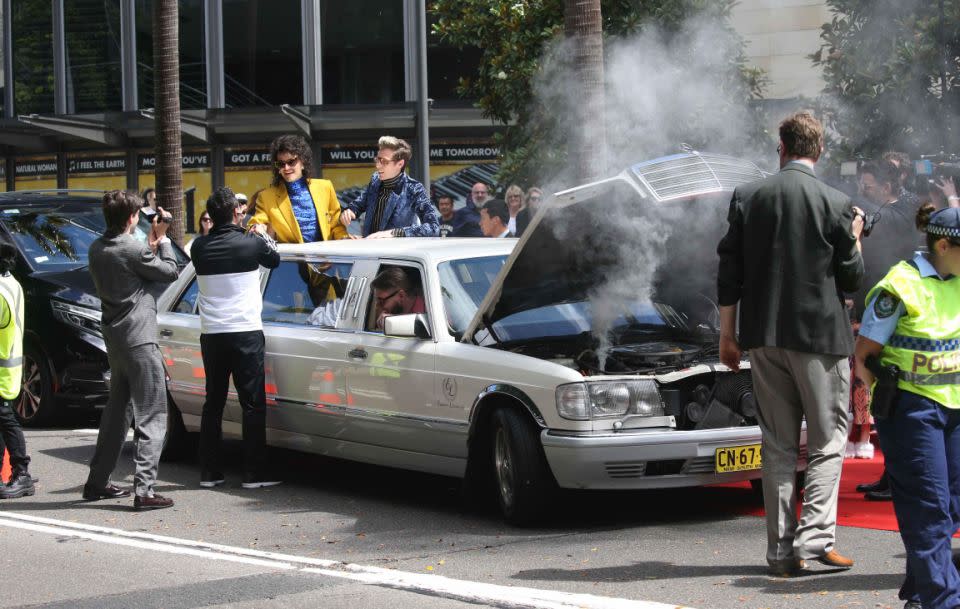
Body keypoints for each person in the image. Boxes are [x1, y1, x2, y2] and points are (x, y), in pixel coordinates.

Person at [716, 111, 865, 576]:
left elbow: (728, 273)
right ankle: (815, 539)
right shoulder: (837, 202)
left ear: (781, 148)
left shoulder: (748, 197)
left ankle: (780, 552)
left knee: (777, 445)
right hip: (819, 338)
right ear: (819, 152)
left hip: (762, 336)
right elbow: (851, 281)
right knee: (826, 442)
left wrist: (728, 334)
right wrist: (856, 238)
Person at [854, 205, 960, 609]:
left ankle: (920, 589)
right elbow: (864, 355)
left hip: (954, 410)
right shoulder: (900, 286)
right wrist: (886, 405)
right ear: (944, 245)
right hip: (913, 413)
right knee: (929, 508)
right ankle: (944, 601)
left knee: (952, 504)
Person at [83, 190, 180, 511]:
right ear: (130, 218)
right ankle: (145, 490)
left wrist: (149, 246)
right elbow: (170, 271)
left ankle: (96, 482)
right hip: (140, 337)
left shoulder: (97, 248)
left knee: (117, 412)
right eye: (137, 213)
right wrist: (163, 241)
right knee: (152, 413)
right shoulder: (131, 248)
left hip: (115, 338)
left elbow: (134, 272)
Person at [191, 187, 281, 489]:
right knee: (252, 403)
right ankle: (254, 474)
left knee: (213, 402)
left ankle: (209, 472)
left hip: (213, 335)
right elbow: (275, 258)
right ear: (236, 212)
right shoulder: (251, 243)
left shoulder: (198, 247)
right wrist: (260, 232)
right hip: (245, 332)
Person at [851, 160, 925, 498]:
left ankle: (898, 478)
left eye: (868, 186)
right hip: (875, 309)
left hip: (894, 313)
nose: (863, 191)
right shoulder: (880, 211)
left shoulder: (903, 213)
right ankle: (890, 475)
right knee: (883, 399)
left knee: (893, 399)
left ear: (886, 187)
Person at [248, 134, 348, 244]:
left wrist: (344, 238)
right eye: (281, 164)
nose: (286, 168)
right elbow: (256, 223)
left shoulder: (325, 187)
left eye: (291, 162)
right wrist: (258, 228)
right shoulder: (266, 196)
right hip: (291, 260)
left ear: (303, 162)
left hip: (325, 259)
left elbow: (336, 226)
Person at [339, 136, 440, 238]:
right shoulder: (375, 179)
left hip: (397, 253)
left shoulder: (414, 188)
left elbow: (433, 227)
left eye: (384, 162)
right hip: (370, 251)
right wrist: (351, 210)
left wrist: (394, 233)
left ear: (400, 164)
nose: (378, 166)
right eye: (377, 160)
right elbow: (360, 204)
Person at [0, 241, 33, 500]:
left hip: (2, 367)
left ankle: (22, 474)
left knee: (6, 418)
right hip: (10, 363)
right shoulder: (12, 283)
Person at [371, 266, 425, 331]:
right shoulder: (396, 310)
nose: (377, 306)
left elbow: (421, 330)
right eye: (377, 300)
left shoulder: (426, 315)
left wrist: (395, 324)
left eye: (382, 301)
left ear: (401, 295)